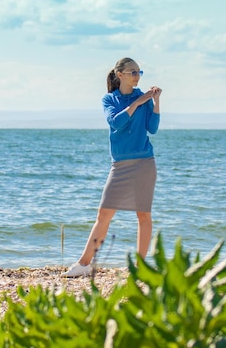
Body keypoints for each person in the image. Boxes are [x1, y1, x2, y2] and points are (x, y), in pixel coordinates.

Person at [63, 57, 162, 277]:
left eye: (139, 72)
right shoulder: (109, 99)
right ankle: (84, 263)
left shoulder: (144, 98)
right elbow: (115, 122)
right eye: (133, 72)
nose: (137, 76)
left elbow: (152, 128)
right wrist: (136, 103)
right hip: (120, 165)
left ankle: (140, 267)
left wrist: (155, 102)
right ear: (120, 74)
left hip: (145, 162)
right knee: (104, 213)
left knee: (143, 215)